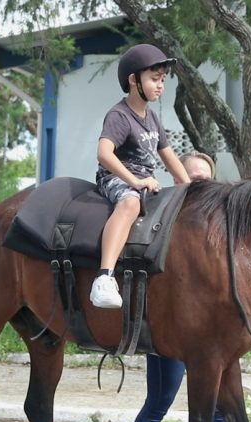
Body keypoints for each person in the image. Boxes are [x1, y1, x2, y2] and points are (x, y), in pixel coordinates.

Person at [119, 152, 251, 422]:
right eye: (191, 178)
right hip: (169, 332)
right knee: (159, 404)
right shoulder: (163, 220)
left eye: (204, 181)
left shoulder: (218, 232)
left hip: (205, 335)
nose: (197, 186)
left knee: (219, 410)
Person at [90, 44, 190, 309]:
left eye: (162, 81)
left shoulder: (153, 118)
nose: (160, 86)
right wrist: (134, 182)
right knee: (131, 203)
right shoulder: (119, 115)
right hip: (117, 179)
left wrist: (192, 188)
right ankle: (104, 278)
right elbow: (104, 154)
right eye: (154, 80)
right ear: (134, 80)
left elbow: (170, 159)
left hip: (146, 183)